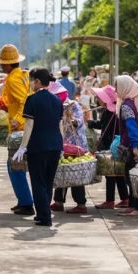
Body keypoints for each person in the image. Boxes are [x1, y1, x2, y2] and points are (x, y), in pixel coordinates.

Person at [11, 68, 64, 227]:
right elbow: (60, 125)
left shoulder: (32, 100)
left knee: (38, 182)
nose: (30, 83)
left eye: (31, 80)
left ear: (37, 82)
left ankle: (44, 217)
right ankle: (43, 213)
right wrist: (61, 146)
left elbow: (29, 124)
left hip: (38, 147)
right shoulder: (57, 101)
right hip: (55, 146)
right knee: (48, 182)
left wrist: (22, 147)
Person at [0, 44, 34, 216]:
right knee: (16, 166)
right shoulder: (23, 75)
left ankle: (26, 203)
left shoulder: (12, 78)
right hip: (27, 127)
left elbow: (24, 101)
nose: (1, 66)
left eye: (3, 63)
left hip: (21, 129)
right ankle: (23, 201)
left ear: (9, 64)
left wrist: (17, 120)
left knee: (14, 166)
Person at [115, 75, 138, 218]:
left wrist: (135, 148)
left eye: (117, 87)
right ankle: (132, 205)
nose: (115, 90)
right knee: (132, 176)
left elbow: (132, 127)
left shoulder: (126, 106)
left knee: (133, 179)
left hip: (134, 146)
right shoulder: (137, 101)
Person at [51, 82, 89, 214]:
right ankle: (58, 202)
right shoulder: (55, 106)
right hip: (62, 143)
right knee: (62, 172)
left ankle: (81, 203)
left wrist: (71, 120)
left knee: (75, 172)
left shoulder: (73, 105)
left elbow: (79, 121)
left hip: (75, 144)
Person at [89, 85, 129, 209]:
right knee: (118, 173)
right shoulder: (116, 111)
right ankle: (125, 198)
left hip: (109, 146)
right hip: (118, 146)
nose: (97, 99)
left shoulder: (108, 112)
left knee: (110, 174)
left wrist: (89, 123)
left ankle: (110, 200)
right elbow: (103, 125)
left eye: (99, 97)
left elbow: (103, 127)